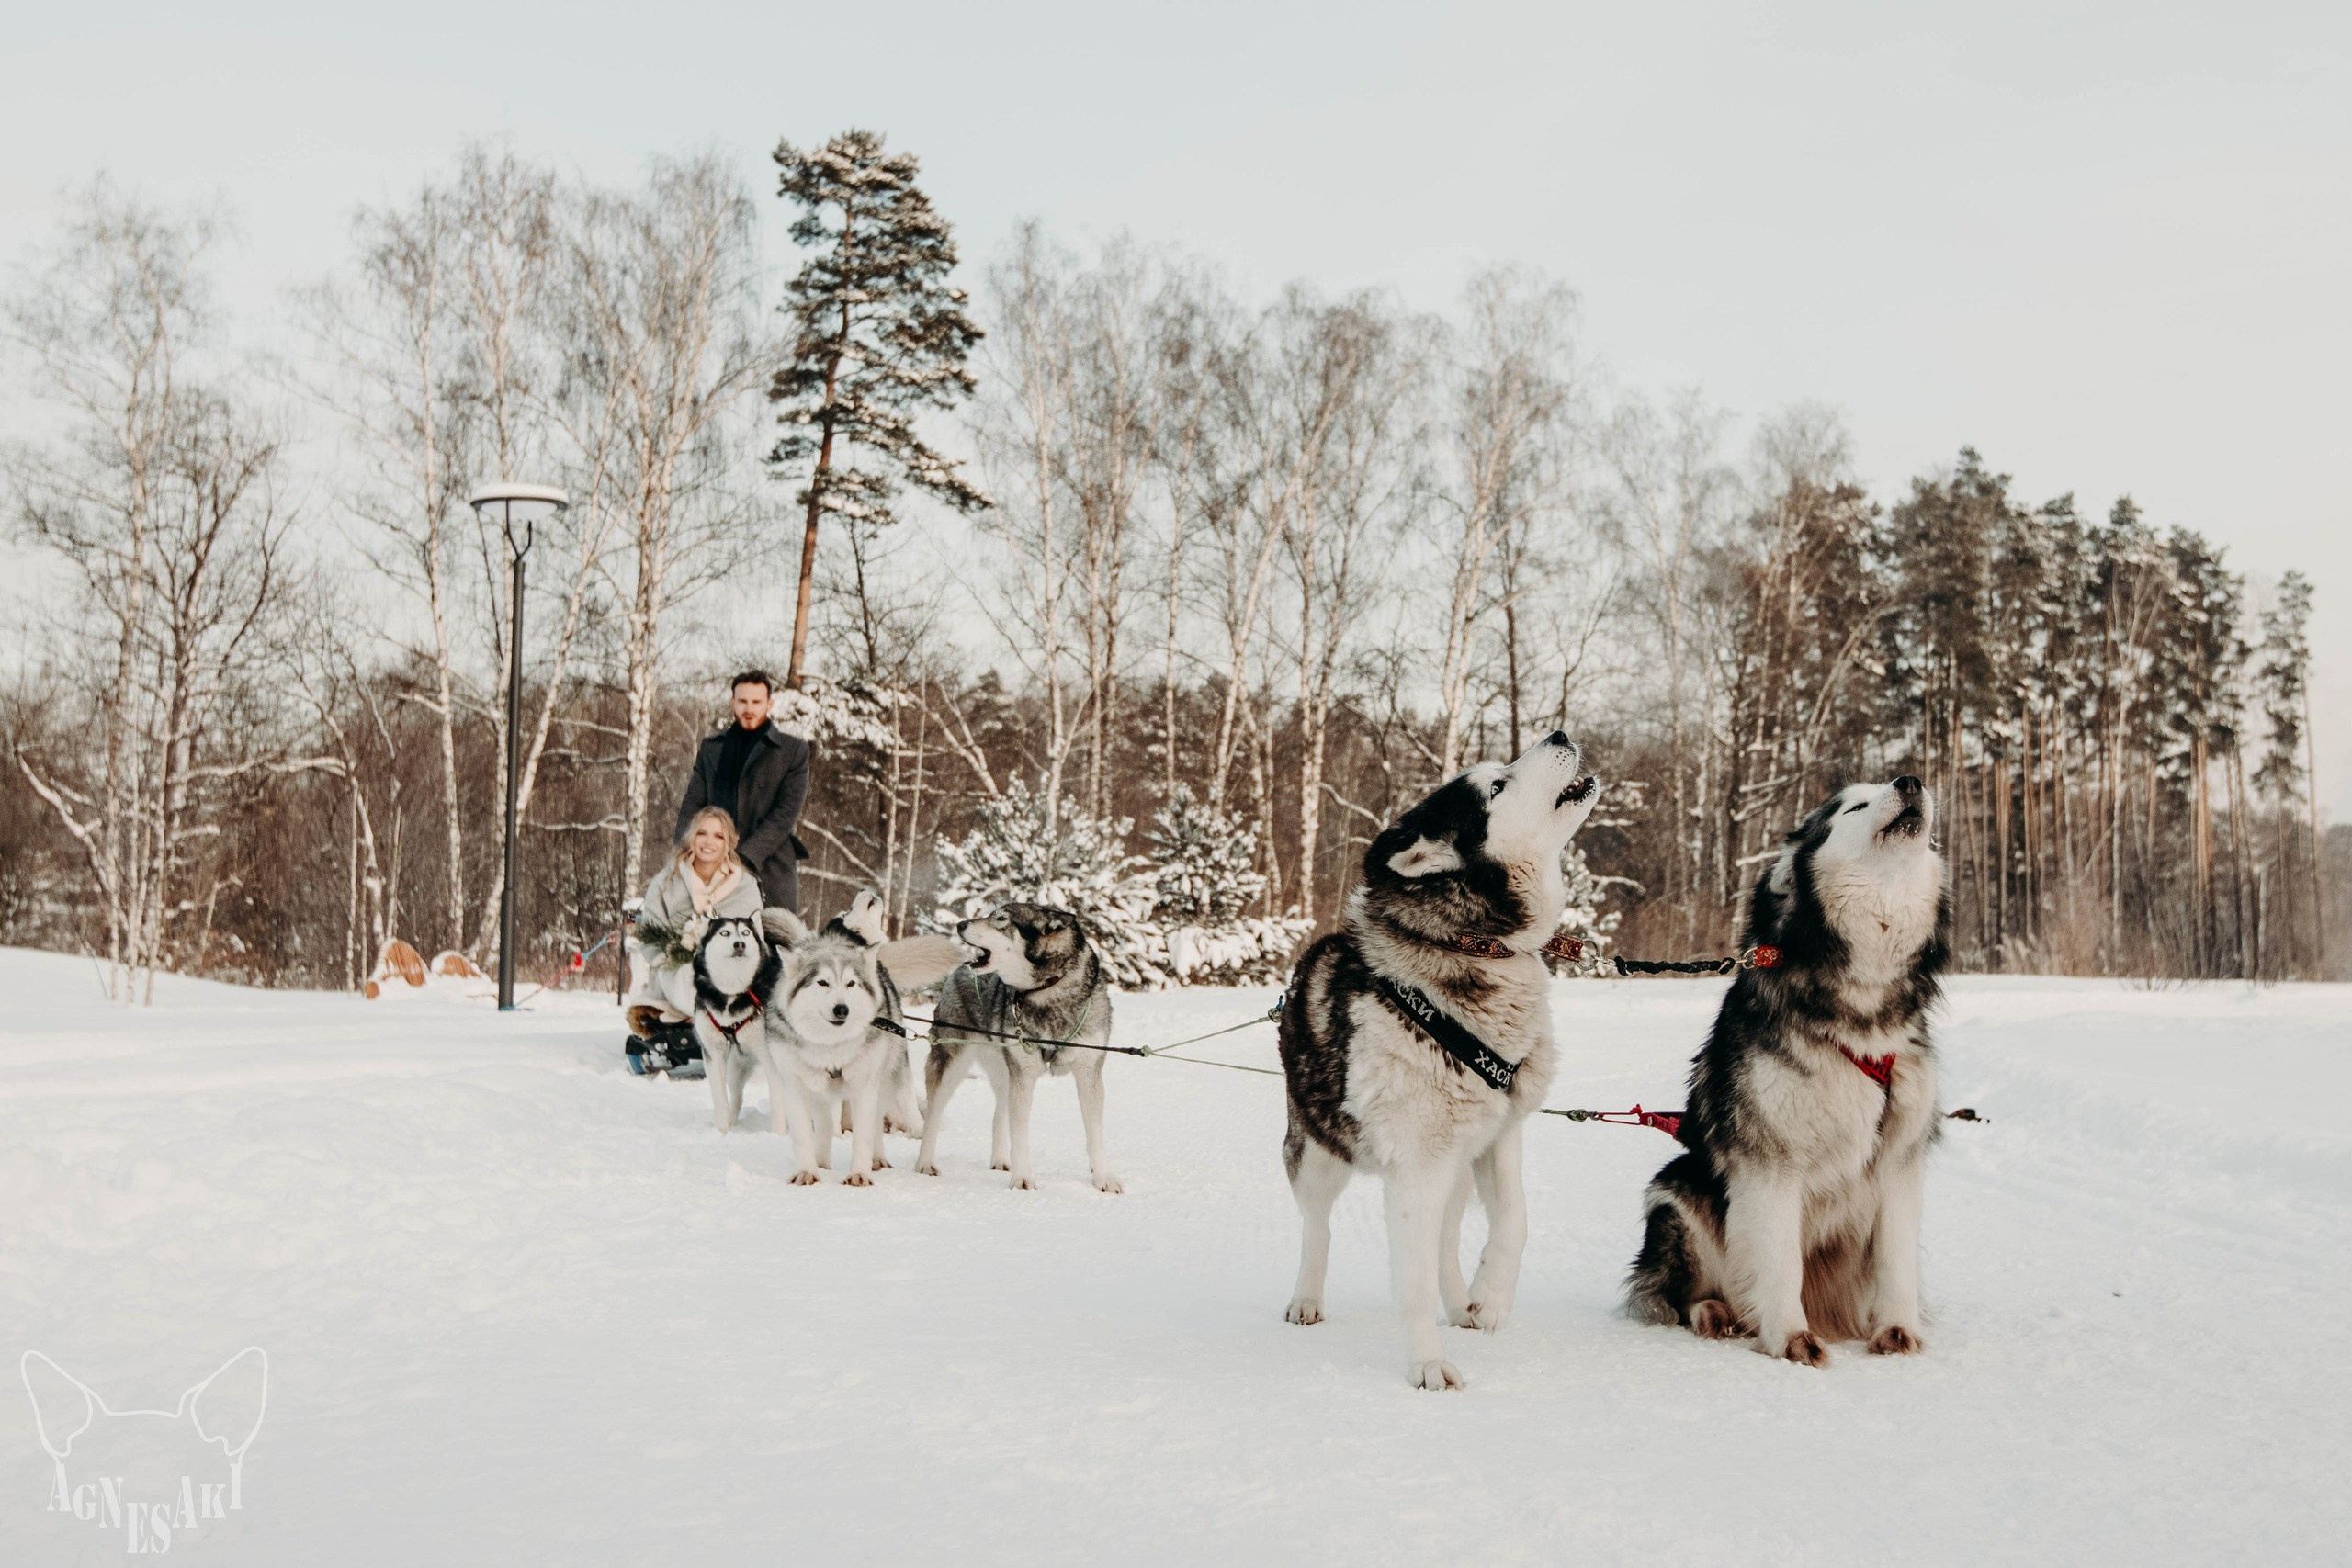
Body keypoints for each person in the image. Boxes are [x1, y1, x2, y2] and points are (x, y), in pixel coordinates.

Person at [673, 670, 811, 915]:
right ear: (732, 703)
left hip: (770, 867)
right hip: (711, 865)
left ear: (769, 704)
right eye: (743, 701)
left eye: (757, 702)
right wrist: (685, 852)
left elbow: (784, 815)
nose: (749, 708)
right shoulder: (712, 748)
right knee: (700, 940)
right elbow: (693, 804)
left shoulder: (792, 751)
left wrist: (743, 858)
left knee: (776, 944)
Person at [624, 806, 765, 1042]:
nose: (709, 842)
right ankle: (701, 1017)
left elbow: (755, 939)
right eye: (702, 833)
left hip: (731, 976)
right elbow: (650, 933)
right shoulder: (666, 882)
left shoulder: (746, 886)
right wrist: (671, 954)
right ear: (691, 837)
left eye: (718, 836)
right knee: (687, 975)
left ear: (729, 843)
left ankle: (732, 1024)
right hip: (678, 972)